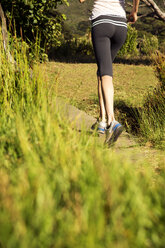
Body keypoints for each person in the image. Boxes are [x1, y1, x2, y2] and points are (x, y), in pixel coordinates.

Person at [79, 0, 140, 145]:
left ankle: (112, 120)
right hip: (120, 25)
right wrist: (134, 12)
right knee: (102, 71)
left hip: (102, 22)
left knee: (105, 73)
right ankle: (102, 120)